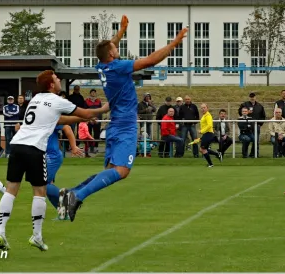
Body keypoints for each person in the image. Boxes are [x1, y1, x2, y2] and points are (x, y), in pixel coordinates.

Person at [57, 15, 188, 222]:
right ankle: (77, 195)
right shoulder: (118, 66)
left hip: (115, 123)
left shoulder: (102, 66)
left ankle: (71, 193)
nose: (117, 48)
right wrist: (175, 42)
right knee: (122, 171)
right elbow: (151, 60)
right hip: (126, 124)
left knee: (110, 170)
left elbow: (108, 48)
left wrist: (121, 31)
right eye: (115, 49)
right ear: (111, 54)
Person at [0, 70, 109, 252]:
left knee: (11, 190)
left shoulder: (37, 98)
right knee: (40, 191)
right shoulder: (56, 100)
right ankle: (37, 236)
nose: (59, 80)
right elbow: (86, 113)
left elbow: (58, 119)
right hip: (35, 149)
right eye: (56, 79)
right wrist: (104, 108)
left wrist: (82, 116)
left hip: (17, 146)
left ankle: (0, 230)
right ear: (51, 84)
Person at [46, 124, 84, 216]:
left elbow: (67, 127)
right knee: (47, 185)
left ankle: (70, 198)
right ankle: (64, 213)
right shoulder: (35, 116)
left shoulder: (49, 115)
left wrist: (74, 146)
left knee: (42, 185)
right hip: (43, 156)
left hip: (52, 156)